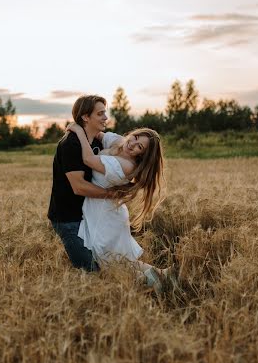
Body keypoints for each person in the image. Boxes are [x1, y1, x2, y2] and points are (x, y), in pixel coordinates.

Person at [66, 123, 175, 292]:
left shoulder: (127, 166)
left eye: (139, 147)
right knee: (120, 258)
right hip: (105, 210)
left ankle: (151, 283)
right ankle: (162, 274)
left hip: (105, 215)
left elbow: (88, 159)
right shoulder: (120, 141)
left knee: (108, 260)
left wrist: (79, 131)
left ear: (142, 155)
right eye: (136, 137)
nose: (132, 144)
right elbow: (101, 135)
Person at [48, 95, 110, 272]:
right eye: (100, 114)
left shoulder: (98, 142)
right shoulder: (70, 144)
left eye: (105, 113)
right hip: (68, 219)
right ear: (85, 117)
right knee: (91, 270)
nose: (105, 117)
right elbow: (79, 186)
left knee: (109, 265)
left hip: (90, 216)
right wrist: (112, 194)